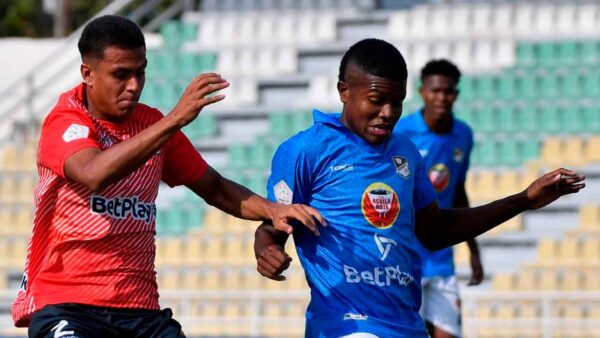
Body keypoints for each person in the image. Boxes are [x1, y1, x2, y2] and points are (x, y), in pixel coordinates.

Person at [12, 15, 324, 338]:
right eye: (121, 74)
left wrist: (272, 210)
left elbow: (215, 187)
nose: (134, 86)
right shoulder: (65, 120)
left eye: (140, 72)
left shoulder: (153, 125)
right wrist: (174, 120)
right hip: (68, 307)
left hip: (140, 311)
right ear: (87, 74)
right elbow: (94, 174)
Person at [254, 38, 585, 338]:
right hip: (346, 324)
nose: (388, 113)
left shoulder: (405, 152)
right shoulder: (305, 151)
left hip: (406, 325)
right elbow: (272, 227)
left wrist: (523, 200)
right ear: (344, 91)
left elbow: (435, 230)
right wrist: (266, 249)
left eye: (396, 102)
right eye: (376, 100)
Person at [394, 59, 481, 338]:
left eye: (448, 91)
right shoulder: (401, 133)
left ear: (456, 93)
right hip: (406, 255)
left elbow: (457, 190)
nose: (441, 97)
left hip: (443, 257)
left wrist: (474, 250)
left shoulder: (463, 135)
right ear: (422, 92)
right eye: (435, 90)